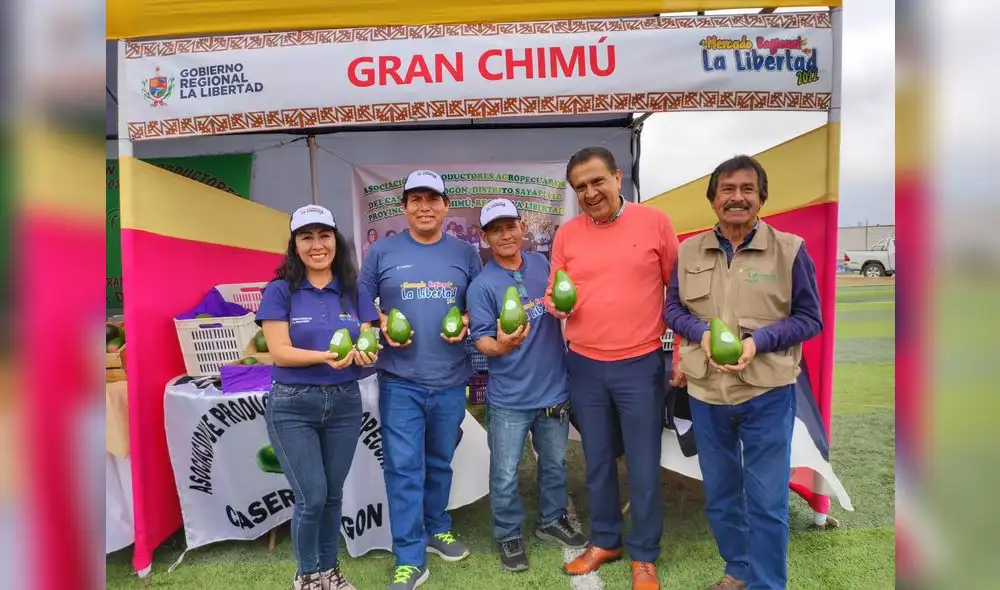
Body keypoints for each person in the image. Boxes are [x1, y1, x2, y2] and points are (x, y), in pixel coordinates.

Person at [665, 155, 823, 590]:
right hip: (706, 393)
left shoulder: (789, 250)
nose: (737, 198)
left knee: (767, 501)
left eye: (747, 189)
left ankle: (767, 584)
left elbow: (810, 318)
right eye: (727, 190)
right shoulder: (689, 250)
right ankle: (738, 570)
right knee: (720, 496)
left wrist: (759, 341)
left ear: (761, 198)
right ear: (713, 198)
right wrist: (701, 333)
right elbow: (673, 309)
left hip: (766, 393)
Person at [548, 146, 679, 590]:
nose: (590, 193)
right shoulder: (567, 235)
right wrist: (554, 303)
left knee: (642, 465)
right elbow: (554, 290)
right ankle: (605, 540)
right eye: (580, 187)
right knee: (598, 461)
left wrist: (680, 353)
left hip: (640, 363)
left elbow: (678, 293)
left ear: (618, 178)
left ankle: (644, 554)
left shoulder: (655, 223)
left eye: (597, 181)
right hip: (584, 363)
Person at [359, 170, 483, 590]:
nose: (424, 207)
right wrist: (379, 321)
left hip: (450, 378)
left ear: (446, 206)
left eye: (432, 199)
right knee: (403, 468)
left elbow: (479, 303)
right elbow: (361, 297)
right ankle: (410, 556)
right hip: (400, 380)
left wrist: (467, 320)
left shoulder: (465, 254)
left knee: (440, 461)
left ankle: (436, 528)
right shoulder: (383, 251)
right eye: (416, 199)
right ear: (405, 207)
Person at [255, 205, 381, 590]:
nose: (317, 245)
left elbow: (368, 339)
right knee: (312, 496)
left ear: (335, 241)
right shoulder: (280, 291)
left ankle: (330, 571)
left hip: (344, 402)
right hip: (292, 405)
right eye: (306, 237)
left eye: (324, 235)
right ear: (295, 245)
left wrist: (367, 354)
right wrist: (326, 356)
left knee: (332, 495)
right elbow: (279, 351)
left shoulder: (354, 290)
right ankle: (307, 574)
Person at [467, 199, 588, 573]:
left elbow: (561, 305)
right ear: (485, 237)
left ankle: (551, 521)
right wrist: (502, 346)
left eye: (510, 226)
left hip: (553, 391)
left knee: (554, 464)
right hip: (510, 399)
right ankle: (508, 534)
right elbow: (481, 341)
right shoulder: (482, 286)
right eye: (495, 230)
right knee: (504, 474)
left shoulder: (542, 265)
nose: (505, 235)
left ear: (522, 228)